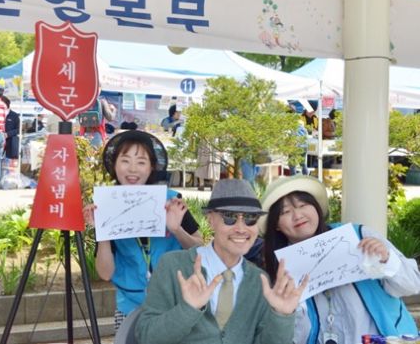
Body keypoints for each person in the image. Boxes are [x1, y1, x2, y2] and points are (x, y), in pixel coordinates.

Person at [134, 178, 307, 344]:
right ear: (210, 219)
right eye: (230, 217)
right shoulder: (173, 266)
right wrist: (188, 309)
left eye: (250, 218)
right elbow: (146, 336)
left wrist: (282, 316)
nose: (241, 228)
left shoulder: (259, 280)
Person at [260, 176, 420, 344]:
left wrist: (387, 259)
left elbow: (412, 285)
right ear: (276, 224)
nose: (297, 215)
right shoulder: (282, 269)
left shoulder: (358, 236)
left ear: (316, 208)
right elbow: (294, 337)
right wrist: (287, 312)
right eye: (285, 212)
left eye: (303, 205)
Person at [82, 130, 203, 329]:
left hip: (175, 303)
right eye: (125, 160)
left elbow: (200, 250)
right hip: (129, 308)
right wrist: (102, 231)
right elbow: (105, 273)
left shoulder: (171, 200)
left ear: (151, 166)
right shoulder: (107, 206)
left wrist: (177, 229)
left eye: (141, 162)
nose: (132, 169)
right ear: (114, 164)